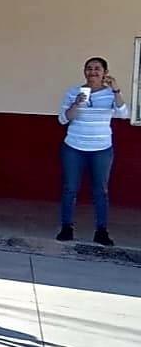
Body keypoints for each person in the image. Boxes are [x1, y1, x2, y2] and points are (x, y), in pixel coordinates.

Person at [56, 56, 130, 246]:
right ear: (84, 71)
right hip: (73, 147)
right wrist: (76, 104)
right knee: (70, 188)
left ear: (105, 72)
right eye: (89, 68)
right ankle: (66, 228)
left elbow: (123, 114)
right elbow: (63, 119)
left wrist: (116, 90)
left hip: (101, 149)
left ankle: (101, 231)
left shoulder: (110, 94)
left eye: (97, 68)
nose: (93, 72)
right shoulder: (74, 92)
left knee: (101, 191)